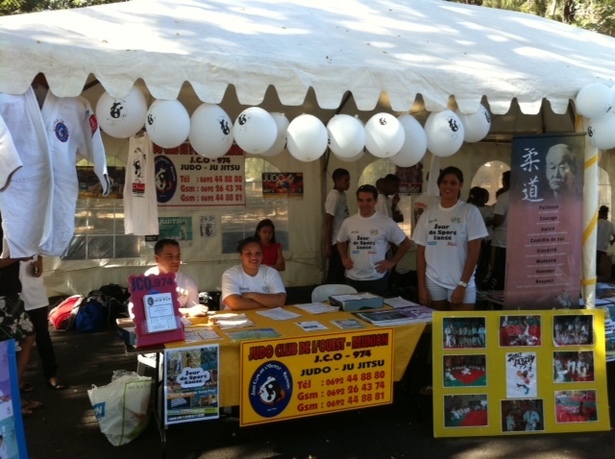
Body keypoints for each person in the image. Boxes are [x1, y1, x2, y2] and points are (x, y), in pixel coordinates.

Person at [412, 167, 488, 311]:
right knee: (437, 329)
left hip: (460, 282)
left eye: (453, 183)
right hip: (433, 281)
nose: (448, 186)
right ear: (439, 185)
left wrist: (462, 285)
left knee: (461, 330)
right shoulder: (428, 213)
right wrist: (421, 286)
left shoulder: (470, 212)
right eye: (445, 182)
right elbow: (420, 252)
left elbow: (474, 253)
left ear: (460, 185)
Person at [336, 184, 411, 296]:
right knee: (351, 312)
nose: (364, 204)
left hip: (377, 278)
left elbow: (406, 243)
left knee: (376, 312)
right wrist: (343, 258)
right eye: (361, 200)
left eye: (369, 200)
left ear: (375, 201)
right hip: (352, 278)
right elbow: (340, 240)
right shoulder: (349, 222)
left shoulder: (386, 222)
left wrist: (392, 262)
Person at [19, 255, 67, 390]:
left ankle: (51, 374)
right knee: (16, 339)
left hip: (35, 294)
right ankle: (18, 378)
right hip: (12, 295)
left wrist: (38, 264)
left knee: (42, 335)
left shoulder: (32, 236)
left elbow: (38, 257)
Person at [130, 239, 207, 318]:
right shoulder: (147, 280)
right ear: (157, 259)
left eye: (178, 256)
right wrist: (187, 312)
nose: (176, 260)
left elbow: (195, 311)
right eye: (170, 257)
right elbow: (150, 311)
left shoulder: (186, 281)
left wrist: (191, 312)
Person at [221, 236, 287, 310]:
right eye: (248, 253)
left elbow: (280, 301)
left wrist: (253, 295)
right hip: (236, 319)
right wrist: (268, 303)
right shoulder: (230, 274)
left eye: (258, 253)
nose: (254, 258)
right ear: (241, 256)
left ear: (262, 255)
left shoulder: (271, 272)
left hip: (265, 318)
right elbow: (235, 303)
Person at [324, 168, 350, 284]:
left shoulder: (342, 194)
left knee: (340, 270)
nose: (348, 183)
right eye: (346, 180)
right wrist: (328, 245)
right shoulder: (334, 196)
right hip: (335, 240)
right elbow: (328, 221)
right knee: (335, 271)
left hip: (343, 238)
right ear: (337, 180)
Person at [467, 186, 493, 287]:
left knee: (485, 264)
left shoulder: (488, 208)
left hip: (487, 240)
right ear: (480, 197)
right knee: (479, 264)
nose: (488, 198)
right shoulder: (473, 209)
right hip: (480, 241)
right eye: (486, 196)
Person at [490, 171, 510, 291]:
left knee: (499, 274)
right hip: (518, 243)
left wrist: (489, 222)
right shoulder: (525, 195)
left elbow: (498, 220)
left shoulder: (504, 197)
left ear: (504, 181)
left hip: (501, 241)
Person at [596, 205, 615, 279]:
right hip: (604, 249)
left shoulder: (596, 223)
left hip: (594, 249)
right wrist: (611, 242)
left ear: (600, 213)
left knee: (594, 267)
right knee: (602, 268)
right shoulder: (610, 225)